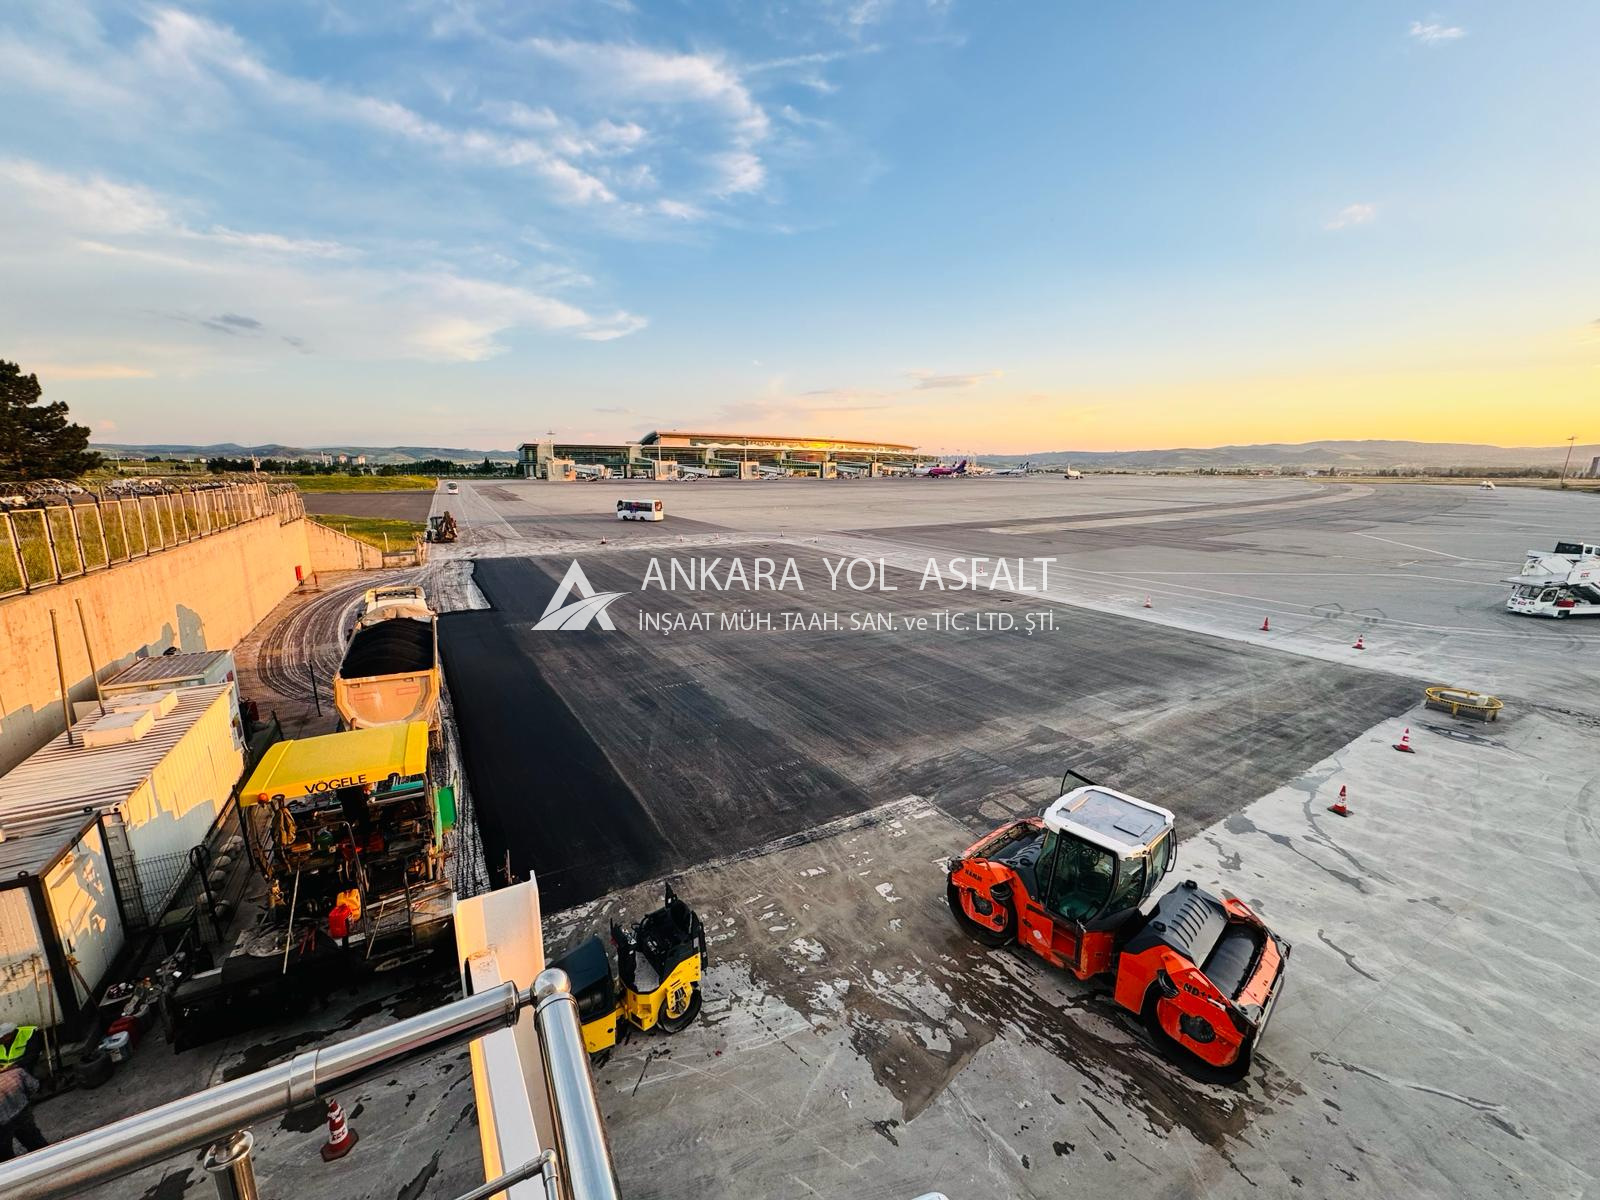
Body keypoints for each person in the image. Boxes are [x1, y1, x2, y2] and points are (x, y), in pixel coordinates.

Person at [0, 1064, 47, 1161]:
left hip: (2, 1122)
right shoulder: (17, 1072)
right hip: (22, 1111)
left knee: (5, 1154)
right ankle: (47, 1160)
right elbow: (34, 1087)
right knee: (35, 1141)